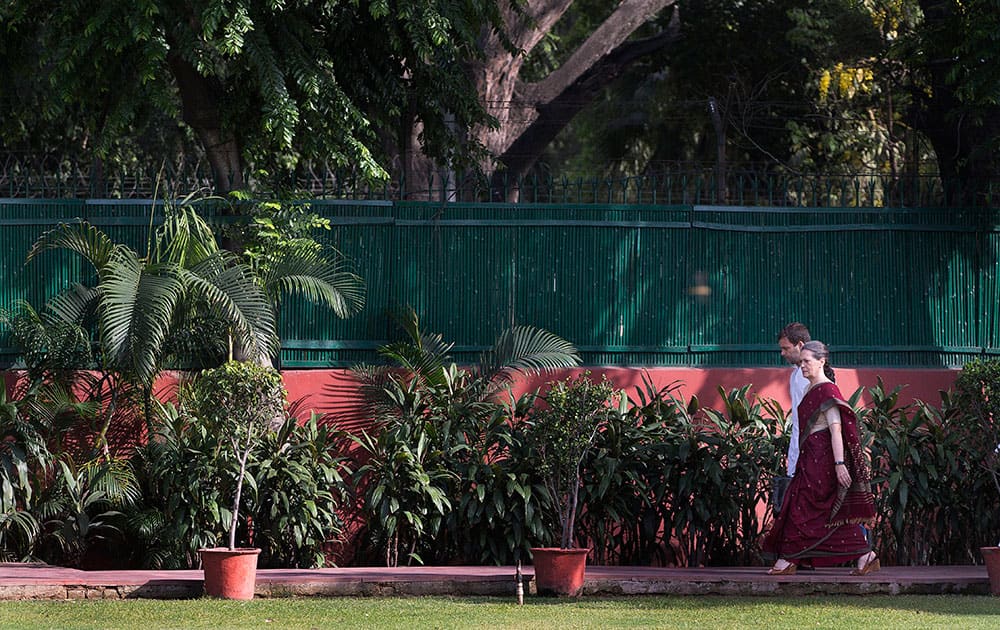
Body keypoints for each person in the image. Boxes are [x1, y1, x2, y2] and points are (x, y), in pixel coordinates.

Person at [762, 340, 878, 575]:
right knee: (816, 512)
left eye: (807, 361)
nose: (802, 366)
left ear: (821, 362)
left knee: (801, 507)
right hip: (808, 458)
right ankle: (865, 555)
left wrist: (839, 465)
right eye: (802, 361)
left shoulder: (828, 390)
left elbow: (836, 429)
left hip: (822, 463)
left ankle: (789, 559)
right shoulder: (809, 389)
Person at [778, 322, 811, 477]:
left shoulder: (813, 376)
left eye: (786, 348)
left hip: (810, 458)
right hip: (799, 455)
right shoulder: (796, 374)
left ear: (800, 345)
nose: (782, 353)